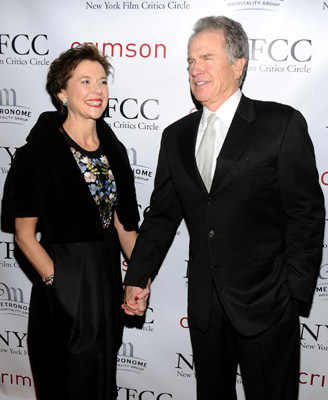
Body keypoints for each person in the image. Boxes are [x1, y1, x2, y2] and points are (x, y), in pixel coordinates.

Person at [123, 16, 325, 400]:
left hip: (267, 303)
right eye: (190, 61)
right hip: (205, 308)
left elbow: (307, 213)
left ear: (238, 64)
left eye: (206, 57)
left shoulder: (280, 124)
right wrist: (137, 276)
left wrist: (293, 293)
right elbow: (162, 216)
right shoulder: (175, 136)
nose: (195, 69)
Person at [1, 44, 139, 400]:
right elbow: (24, 235)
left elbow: (124, 223)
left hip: (105, 275)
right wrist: (57, 283)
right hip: (64, 274)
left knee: (101, 375)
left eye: (103, 81)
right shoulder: (37, 153)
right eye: (85, 81)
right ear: (61, 92)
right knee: (67, 378)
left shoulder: (115, 150)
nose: (97, 90)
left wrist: (139, 278)